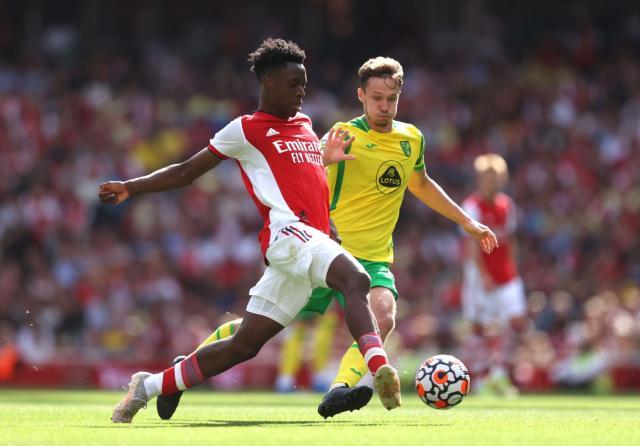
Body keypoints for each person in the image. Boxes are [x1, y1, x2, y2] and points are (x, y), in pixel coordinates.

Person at [155, 56, 498, 420]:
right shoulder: (343, 134)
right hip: (324, 253)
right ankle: (185, 369)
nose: (384, 106)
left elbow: (422, 184)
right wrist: (327, 159)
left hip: (373, 257)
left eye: (391, 98)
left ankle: (340, 389)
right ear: (361, 96)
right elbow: (298, 169)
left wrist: (467, 221)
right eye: (377, 98)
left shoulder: (411, 139)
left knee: (384, 314)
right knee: (257, 329)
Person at [102, 38, 402, 424]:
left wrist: (327, 218)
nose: (301, 92)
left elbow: (308, 182)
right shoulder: (245, 129)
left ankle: (147, 386)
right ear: (268, 83)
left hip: (308, 240)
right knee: (356, 279)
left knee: (244, 344)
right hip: (287, 235)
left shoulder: (305, 126)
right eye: (294, 84)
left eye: (304, 84)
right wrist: (131, 186)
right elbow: (185, 171)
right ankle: (379, 368)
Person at [460, 153, 526, 396]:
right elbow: (471, 245)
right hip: (480, 276)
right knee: (479, 325)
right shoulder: (471, 206)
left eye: (497, 176)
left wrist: (513, 268)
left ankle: (499, 373)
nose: (493, 181)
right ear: (479, 178)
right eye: (488, 176)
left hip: (505, 274)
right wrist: (483, 275)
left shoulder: (507, 205)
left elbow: (510, 240)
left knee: (515, 320)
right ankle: (478, 376)